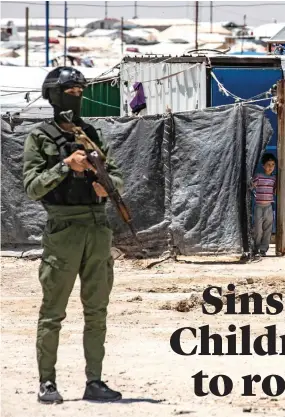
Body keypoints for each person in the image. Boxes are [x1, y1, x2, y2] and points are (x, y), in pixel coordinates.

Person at [22, 67, 123, 404]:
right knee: (53, 311)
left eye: (80, 92)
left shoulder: (92, 133)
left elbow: (118, 175)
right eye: (69, 92)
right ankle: (47, 382)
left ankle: (94, 381)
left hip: (97, 227)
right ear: (53, 95)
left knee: (97, 310)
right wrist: (66, 165)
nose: (75, 98)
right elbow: (32, 187)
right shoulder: (40, 136)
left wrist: (106, 185)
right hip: (63, 228)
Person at [251, 153, 277, 256]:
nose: (271, 167)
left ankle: (263, 249)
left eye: (273, 165)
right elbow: (251, 186)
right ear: (263, 165)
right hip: (258, 207)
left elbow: (275, 191)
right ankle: (256, 247)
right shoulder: (258, 177)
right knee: (258, 229)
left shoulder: (274, 179)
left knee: (268, 229)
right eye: (268, 164)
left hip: (269, 207)